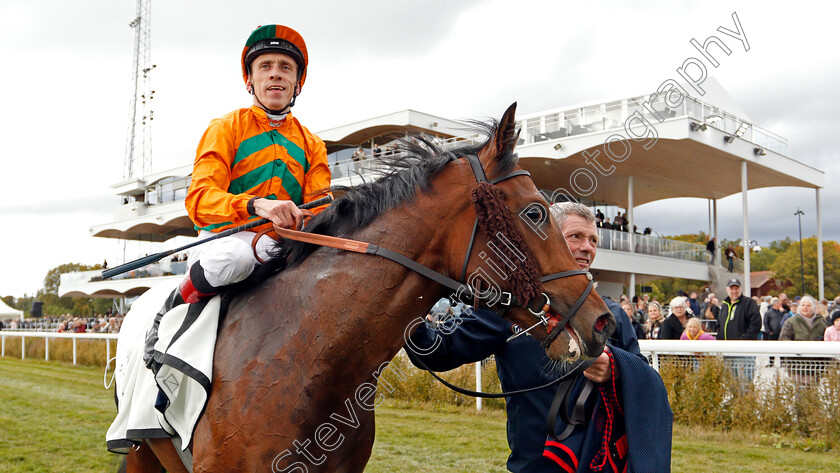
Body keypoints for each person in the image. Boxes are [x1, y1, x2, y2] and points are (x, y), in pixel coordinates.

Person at [406, 202, 669, 473]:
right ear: (546, 240)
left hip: (601, 464)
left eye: (593, 239)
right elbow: (436, 351)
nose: (587, 247)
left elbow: (643, 377)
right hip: (535, 463)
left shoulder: (611, 313)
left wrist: (615, 368)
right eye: (576, 236)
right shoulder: (508, 309)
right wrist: (409, 298)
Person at [176, 24, 332, 306]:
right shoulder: (225, 128)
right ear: (250, 81)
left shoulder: (313, 145)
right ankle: (172, 310)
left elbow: (319, 210)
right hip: (221, 243)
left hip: (279, 247)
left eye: (286, 67)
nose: (275, 72)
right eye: (265, 66)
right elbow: (198, 201)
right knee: (237, 257)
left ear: (298, 83)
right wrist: (257, 205)